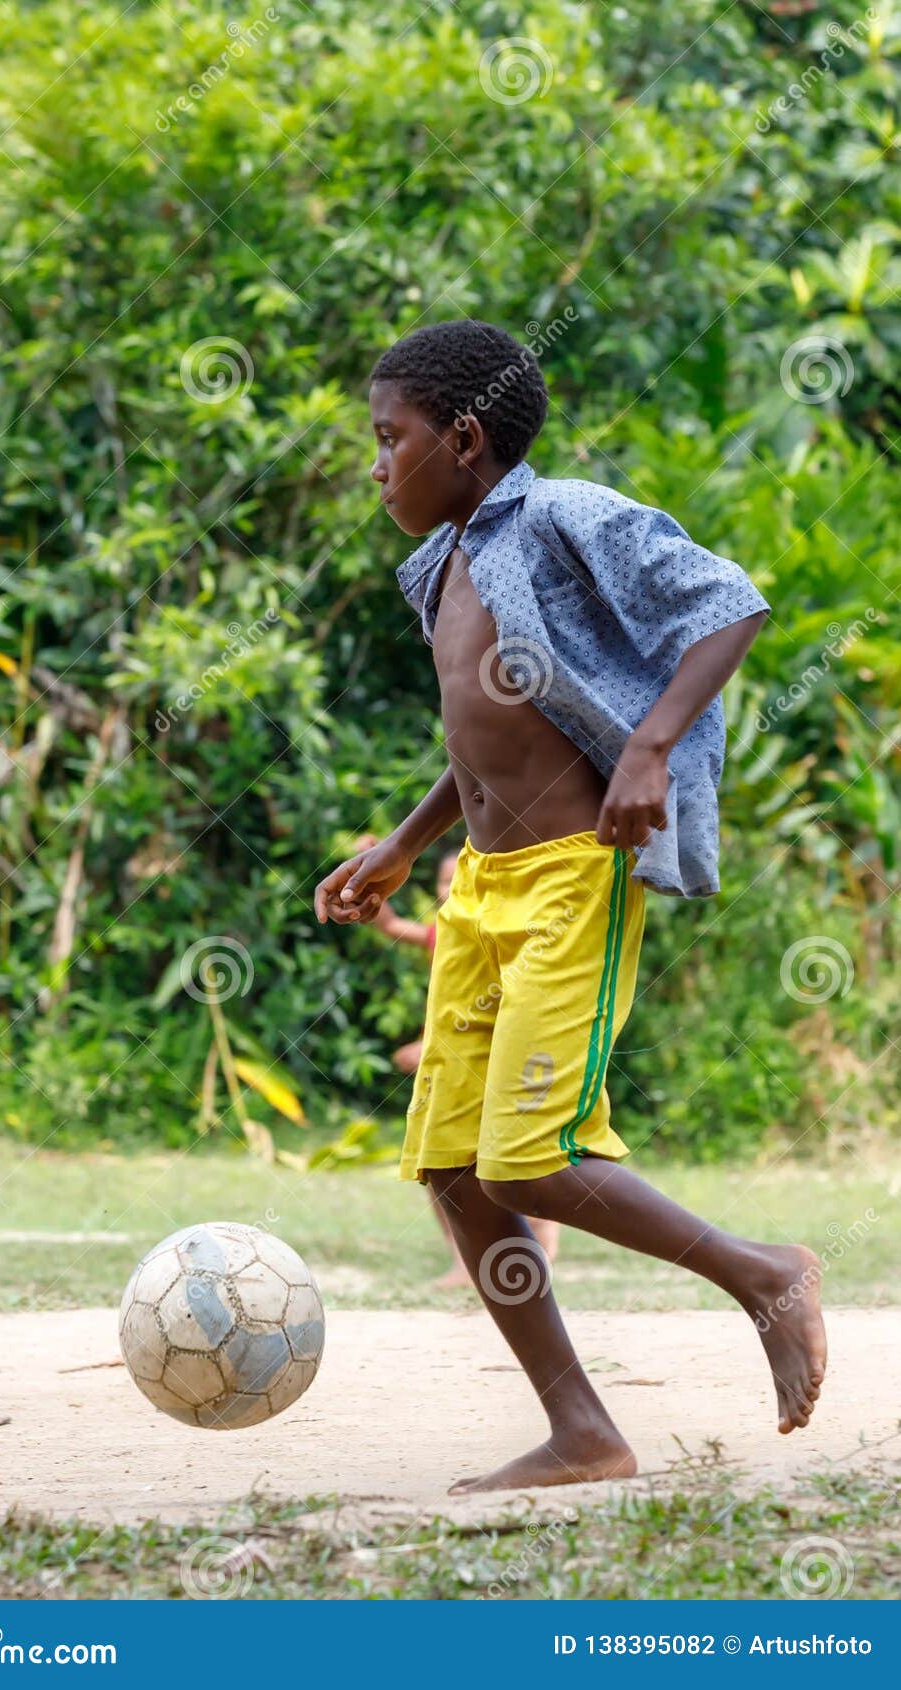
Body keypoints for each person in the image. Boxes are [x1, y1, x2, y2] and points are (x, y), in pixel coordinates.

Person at [314, 319, 826, 1494]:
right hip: (483, 891)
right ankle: (583, 1430)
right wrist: (403, 844)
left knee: (531, 1160)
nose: (376, 464)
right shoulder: (437, 567)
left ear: (464, 435)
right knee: (454, 1168)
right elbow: (490, 740)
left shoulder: (559, 517)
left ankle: (767, 1275)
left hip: (571, 882)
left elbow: (729, 602)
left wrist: (649, 750)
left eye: (388, 440)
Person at [353, 833, 559, 1287]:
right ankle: (464, 1262)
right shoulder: (440, 936)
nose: (447, 890)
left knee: (518, 1166)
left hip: (497, 1068)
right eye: (442, 882)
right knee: (442, 1169)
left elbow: (500, 1015)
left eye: (455, 880)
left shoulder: (504, 937)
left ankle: (541, 1253)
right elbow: (388, 925)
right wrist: (366, 872)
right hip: (450, 1073)